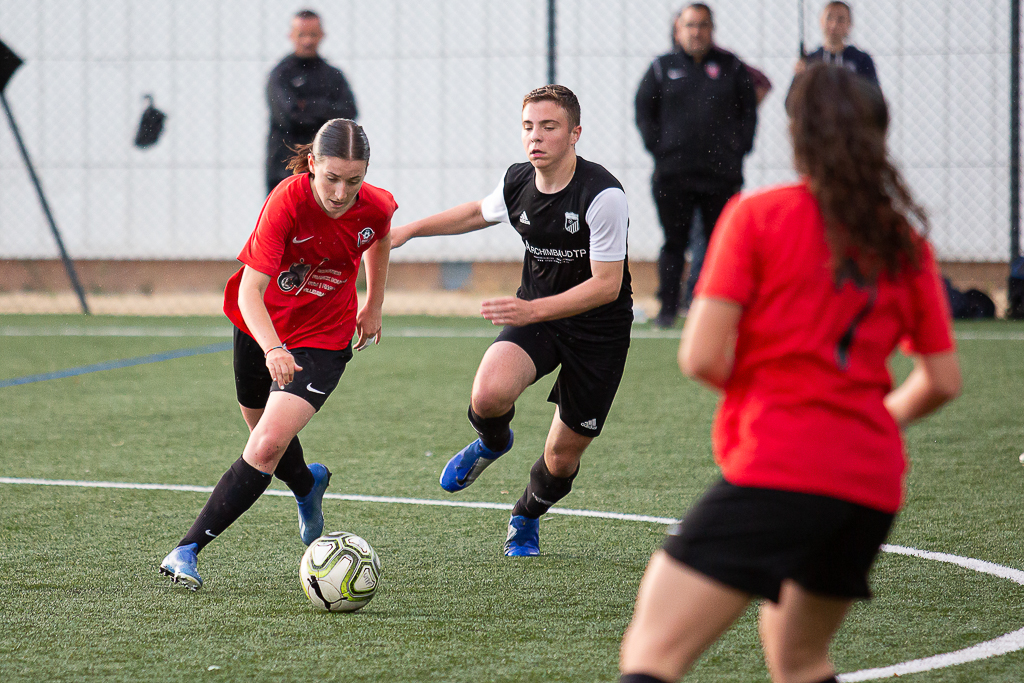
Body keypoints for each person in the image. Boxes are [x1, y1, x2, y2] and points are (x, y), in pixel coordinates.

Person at [618, 64, 961, 683]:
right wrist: (868, 419)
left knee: (651, 654)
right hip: (869, 485)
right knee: (800, 660)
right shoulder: (903, 241)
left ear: (796, 133)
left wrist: (778, 398)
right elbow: (941, 380)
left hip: (781, 468)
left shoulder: (758, 216)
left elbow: (700, 356)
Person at [390, 85, 632, 557]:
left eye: (549, 126)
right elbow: (475, 214)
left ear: (575, 133)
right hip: (539, 319)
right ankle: (491, 443)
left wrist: (532, 309)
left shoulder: (603, 195)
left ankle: (525, 514)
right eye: (527, 127)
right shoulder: (518, 182)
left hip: (597, 334)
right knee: (488, 394)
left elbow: (607, 285)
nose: (535, 137)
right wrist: (410, 231)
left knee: (561, 458)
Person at [159, 119, 395, 590]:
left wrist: (373, 303)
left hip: (323, 335)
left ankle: (186, 550)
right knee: (262, 431)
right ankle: (307, 485)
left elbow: (380, 235)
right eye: (331, 178)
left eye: (353, 180)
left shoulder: (376, 204)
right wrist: (272, 347)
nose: (341, 193)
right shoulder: (287, 201)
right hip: (260, 325)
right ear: (312, 164)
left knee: (266, 444)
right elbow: (249, 291)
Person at [635, 3, 758, 329]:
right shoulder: (661, 68)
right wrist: (659, 148)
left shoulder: (731, 66)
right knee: (673, 243)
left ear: (711, 29)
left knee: (721, 245)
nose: (696, 32)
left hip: (721, 176)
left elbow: (749, 110)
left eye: (702, 25)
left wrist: (739, 148)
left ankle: (712, 310)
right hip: (673, 175)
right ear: (679, 30)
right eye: (690, 25)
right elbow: (643, 110)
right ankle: (667, 309)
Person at [266, 9, 358, 195]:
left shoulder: (333, 76)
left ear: (322, 35)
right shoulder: (281, 75)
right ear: (291, 35)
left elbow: (349, 112)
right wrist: (326, 111)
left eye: (313, 34)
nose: (307, 41)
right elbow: (289, 117)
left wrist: (308, 106)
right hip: (285, 169)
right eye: (302, 35)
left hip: (327, 170)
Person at [797, 1, 879, 86]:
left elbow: (873, 92)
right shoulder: (809, 61)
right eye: (829, 18)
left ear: (849, 24)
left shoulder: (861, 60)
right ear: (821, 21)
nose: (834, 25)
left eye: (841, 20)